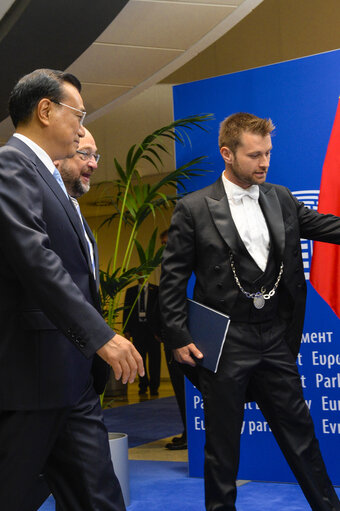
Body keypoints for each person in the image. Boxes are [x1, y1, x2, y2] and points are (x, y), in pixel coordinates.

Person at [159, 112, 340, 511]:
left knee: (302, 437)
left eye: (268, 154)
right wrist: (178, 335)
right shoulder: (193, 208)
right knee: (222, 447)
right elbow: (171, 280)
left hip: (274, 338)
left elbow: (328, 227)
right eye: (254, 154)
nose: (264, 163)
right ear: (227, 153)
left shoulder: (282, 198)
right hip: (225, 343)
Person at [0, 68, 144, 511]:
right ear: (45, 111)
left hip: (71, 379)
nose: (81, 127)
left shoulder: (52, 183)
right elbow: (36, 260)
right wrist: (101, 335)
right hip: (32, 380)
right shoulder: (10, 166)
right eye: (77, 114)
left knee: (100, 500)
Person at [160, 229, 187, 450]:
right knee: (180, 389)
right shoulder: (166, 268)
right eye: (163, 244)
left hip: (194, 339)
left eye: (168, 243)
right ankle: (188, 432)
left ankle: (191, 434)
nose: (165, 248)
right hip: (174, 341)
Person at [123, 278, 161, 396]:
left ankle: (154, 387)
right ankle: (143, 386)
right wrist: (126, 329)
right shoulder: (131, 291)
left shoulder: (156, 290)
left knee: (155, 360)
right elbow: (126, 310)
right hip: (138, 330)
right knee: (140, 359)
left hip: (153, 332)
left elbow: (160, 310)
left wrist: (160, 332)